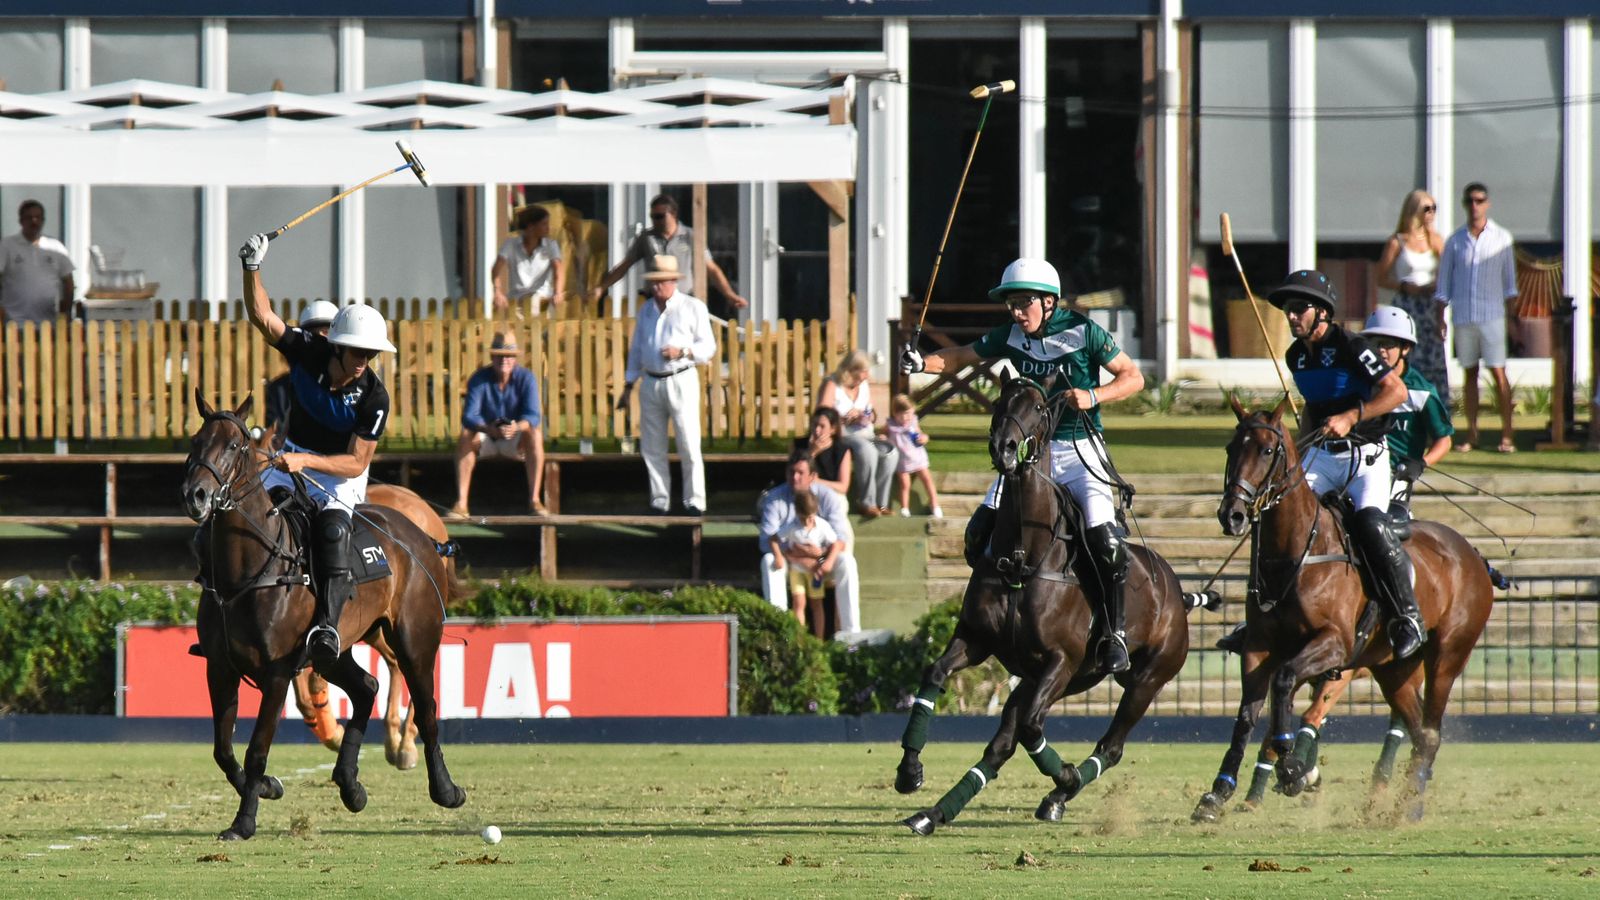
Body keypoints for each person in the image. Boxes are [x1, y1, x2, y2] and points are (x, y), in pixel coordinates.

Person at [899, 257, 1145, 672]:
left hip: (1080, 448)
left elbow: (1133, 376)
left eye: (1024, 302)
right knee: (979, 532)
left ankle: (1114, 632)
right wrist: (923, 363)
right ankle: (996, 618)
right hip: (1031, 455)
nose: (1016, 311)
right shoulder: (1010, 335)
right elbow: (961, 356)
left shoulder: (1085, 332)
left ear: (1049, 302)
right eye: (1011, 303)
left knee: (1105, 540)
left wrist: (1094, 396)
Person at [238, 230, 396, 669]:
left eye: (371, 353)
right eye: (357, 352)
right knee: (242, 513)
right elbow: (263, 316)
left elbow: (358, 461)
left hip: (338, 474)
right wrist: (252, 268)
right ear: (338, 347)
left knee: (331, 531)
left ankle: (326, 624)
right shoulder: (309, 350)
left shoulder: (374, 397)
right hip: (291, 455)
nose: (364, 360)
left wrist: (305, 460)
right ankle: (222, 603)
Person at [1267, 269, 1424, 658]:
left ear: (1322, 312)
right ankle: (1264, 610)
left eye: (1299, 308)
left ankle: (1406, 616)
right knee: (1279, 512)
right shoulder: (1295, 356)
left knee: (1370, 523)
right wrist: (1301, 450)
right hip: (1322, 455)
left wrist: (1353, 416)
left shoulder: (1354, 346)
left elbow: (1395, 391)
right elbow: (1312, 410)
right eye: (1288, 309)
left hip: (1366, 456)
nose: (1291, 316)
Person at [616, 255, 716, 516]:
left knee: (688, 442)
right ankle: (660, 501)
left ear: (673, 281)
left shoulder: (693, 307)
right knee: (652, 445)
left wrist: (682, 351)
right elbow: (637, 349)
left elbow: (709, 348)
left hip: (680, 377)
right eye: (653, 282)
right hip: (651, 381)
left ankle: (695, 501)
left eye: (660, 282)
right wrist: (628, 384)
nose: (656, 287)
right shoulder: (646, 309)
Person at [1435, 182, 1518, 454]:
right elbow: (1444, 283)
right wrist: (1441, 317)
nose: (1475, 206)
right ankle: (1471, 434)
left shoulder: (1502, 238)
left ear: (1487, 203)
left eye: (1480, 200)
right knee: (1469, 374)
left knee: (1498, 373)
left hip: (1492, 316)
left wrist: (1513, 320)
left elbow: (1510, 284)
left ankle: (1507, 435)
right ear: (1464, 203)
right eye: (1470, 200)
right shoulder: (1455, 240)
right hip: (1464, 316)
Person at [1361, 306, 1454, 532]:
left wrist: (1420, 464)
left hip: (1398, 477)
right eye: (1376, 344)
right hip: (1359, 469)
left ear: (1406, 348)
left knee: (1388, 529)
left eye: (1388, 344)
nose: (1381, 350)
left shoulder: (1422, 392)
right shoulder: (1360, 383)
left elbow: (1444, 440)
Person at [591, 193, 748, 317]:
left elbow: (711, 269)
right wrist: (601, 288)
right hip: (654, 300)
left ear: (673, 214)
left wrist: (729, 295)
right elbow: (625, 266)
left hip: (684, 299)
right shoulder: (647, 238)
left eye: (660, 216)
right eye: (652, 216)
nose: (655, 221)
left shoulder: (690, 236)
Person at [757, 449, 860, 637]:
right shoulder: (774, 499)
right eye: (791, 472)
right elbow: (766, 541)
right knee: (769, 561)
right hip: (789, 561)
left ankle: (851, 634)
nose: (795, 477)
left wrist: (820, 557)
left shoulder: (828, 497)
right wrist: (795, 555)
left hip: (822, 560)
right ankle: (779, 633)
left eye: (800, 473)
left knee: (847, 562)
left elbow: (841, 539)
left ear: (812, 476)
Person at [450, 331, 547, 518]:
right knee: (465, 435)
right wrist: (486, 429)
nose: (504, 360)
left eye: (509, 356)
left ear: (515, 358)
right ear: (492, 357)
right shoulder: (479, 378)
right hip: (486, 436)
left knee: (535, 434)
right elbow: (469, 416)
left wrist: (516, 428)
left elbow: (533, 416)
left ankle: (535, 500)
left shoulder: (527, 378)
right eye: (500, 356)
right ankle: (461, 503)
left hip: (516, 440)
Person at [1376, 189, 1449, 411]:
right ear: (1414, 210)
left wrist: (1441, 311)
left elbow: (1445, 274)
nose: (1431, 213)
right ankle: (1404, 406)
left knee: (1433, 361)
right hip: (1407, 304)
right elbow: (1381, 277)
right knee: (1408, 357)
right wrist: (1404, 286)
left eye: (1434, 208)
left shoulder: (1436, 240)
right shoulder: (1397, 242)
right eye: (1427, 208)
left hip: (1429, 306)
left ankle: (1437, 411)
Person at [818, 350, 899, 517]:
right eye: (862, 372)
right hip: (842, 434)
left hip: (865, 432)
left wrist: (867, 416)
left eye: (866, 372)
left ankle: (881, 504)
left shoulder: (863, 386)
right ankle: (866, 502)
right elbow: (822, 413)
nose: (865, 376)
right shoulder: (832, 384)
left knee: (889, 452)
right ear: (849, 370)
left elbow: (871, 410)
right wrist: (845, 418)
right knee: (866, 450)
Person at [768, 488, 842, 639]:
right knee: (798, 602)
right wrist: (779, 556)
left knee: (816, 604)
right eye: (803, 518)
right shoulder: (792, 526)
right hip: (797, 570)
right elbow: (773, 539)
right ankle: (800, 639)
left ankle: (819, 640)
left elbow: (836, 543)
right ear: (796, 512)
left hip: (815, 571)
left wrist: (826, 561)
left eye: (810, 517)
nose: (807, 522)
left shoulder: (821, 525)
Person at [264, 300, 340, 431]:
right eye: (311, 337)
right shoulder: (279, 390)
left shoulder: (349, 387)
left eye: (326, 334)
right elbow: (274, 436)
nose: (320, 344)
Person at [0, 199, 75, 324]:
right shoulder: (6, 246)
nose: (34, 222)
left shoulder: (55, 247)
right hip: (13, 323)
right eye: (29, 218)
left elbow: (68, 282)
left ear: (43, 220)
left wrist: (66, 311)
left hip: (49, 323)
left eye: (38, 217)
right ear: (21, 220)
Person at [492, 205, 565, 318]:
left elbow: (558, 269)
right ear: (531, 226)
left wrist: (558, 292)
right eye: (544, 224)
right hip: (517, 302)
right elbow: (496, 269)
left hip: (542, 302)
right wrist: (497, 292)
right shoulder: (510, 244)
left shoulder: (551, 245)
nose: (548, 228)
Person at [884, 393, 942, 518]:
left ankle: (935, 504)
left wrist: (924, 438)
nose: (906, 417)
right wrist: (883, 438)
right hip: (902, 460)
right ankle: (905, 508)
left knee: (927, 479)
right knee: (905, 484)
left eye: (909, 413)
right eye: (903, 414)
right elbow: (883, 434)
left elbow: (920, 434)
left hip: (917, 457)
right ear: (895, 413)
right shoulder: (892, 426)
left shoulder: (913, 422)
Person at [795, 407, 852, 498]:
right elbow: (794, 475)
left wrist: (818, 482)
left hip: (830, 495)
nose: (817, 430)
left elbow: (843, 487)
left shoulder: (842, 450)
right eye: (814, 425)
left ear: (833, 429)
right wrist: (812, 452)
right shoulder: (798, 445)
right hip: (803, 494)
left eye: (822, 426)